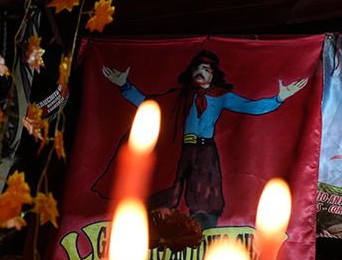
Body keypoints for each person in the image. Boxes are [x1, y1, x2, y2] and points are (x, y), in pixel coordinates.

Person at [100, 50, 308, 228]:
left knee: (205, 192)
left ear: (213, 75)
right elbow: (148, 103)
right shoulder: (178, 96)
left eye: (206, 69)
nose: (200, 72)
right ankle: (157, 228)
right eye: (197, 68)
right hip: (179, 149)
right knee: (168, 188)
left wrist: (279, 97)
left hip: (205, 150)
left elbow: (251, 107)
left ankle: (202, 231)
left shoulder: (221, 96)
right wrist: (124, 85)